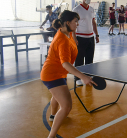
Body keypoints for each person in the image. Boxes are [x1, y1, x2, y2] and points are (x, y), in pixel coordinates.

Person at [41, 10, 97, 138]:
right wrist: (83, 77)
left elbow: (72, 35)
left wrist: (75, 41)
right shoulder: (63, 40)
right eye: (75, 22)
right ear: (67, 23)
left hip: (58, 73)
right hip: (52, 75)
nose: (77, 24)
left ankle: (53, 115)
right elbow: (65, 63)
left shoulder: (67, 32)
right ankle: (51, 136)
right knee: (66, 107)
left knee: (56, 95)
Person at [72, 0, 99, 86]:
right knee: (79, 59)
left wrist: (97, 35)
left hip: (90, 38)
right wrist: (74, 38)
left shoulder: (91, 9)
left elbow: (93, 23)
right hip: (80, 37)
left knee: (89, 58)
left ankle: (88, 77)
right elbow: (73, 25)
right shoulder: (76, 9)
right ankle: (77, 78)